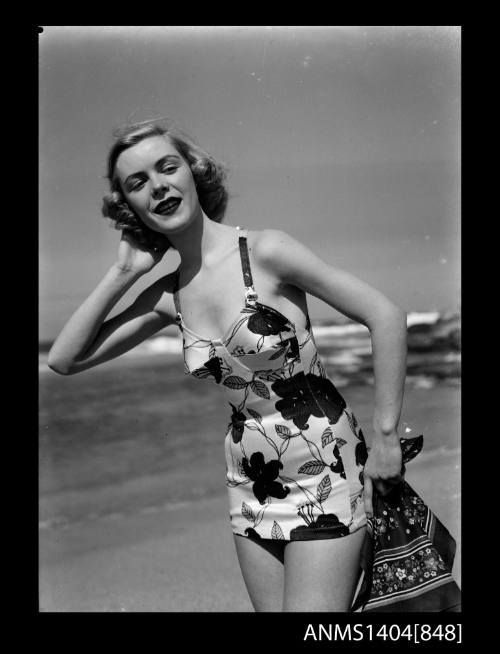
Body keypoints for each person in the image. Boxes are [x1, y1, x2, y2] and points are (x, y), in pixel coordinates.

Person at [48, 119, 407, 612]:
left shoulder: (266, 251)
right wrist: (122, 274)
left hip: (325, 465)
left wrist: (387, 438)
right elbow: (65, 359)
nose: (157, 186)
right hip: (250, 479)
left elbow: (384, 316)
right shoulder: (169, 296)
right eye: (137, 183)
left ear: (193, 172)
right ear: (129, 206)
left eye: (167, 167)